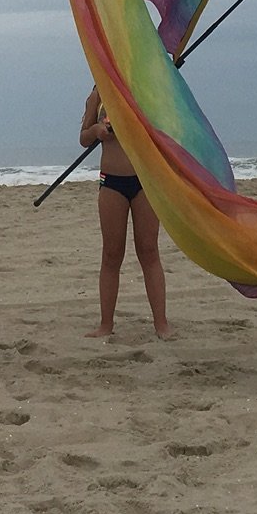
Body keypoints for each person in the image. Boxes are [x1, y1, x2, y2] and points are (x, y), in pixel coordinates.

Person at [79, 86, 171, 340]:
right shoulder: (98, 95)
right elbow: (84, 138)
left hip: (146, 181)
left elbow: (163, 131)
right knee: (111, 253)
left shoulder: (143, 86)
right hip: (112, 183)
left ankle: (161, 324)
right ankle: (106, 324)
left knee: (149, 250)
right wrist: (97, 131)